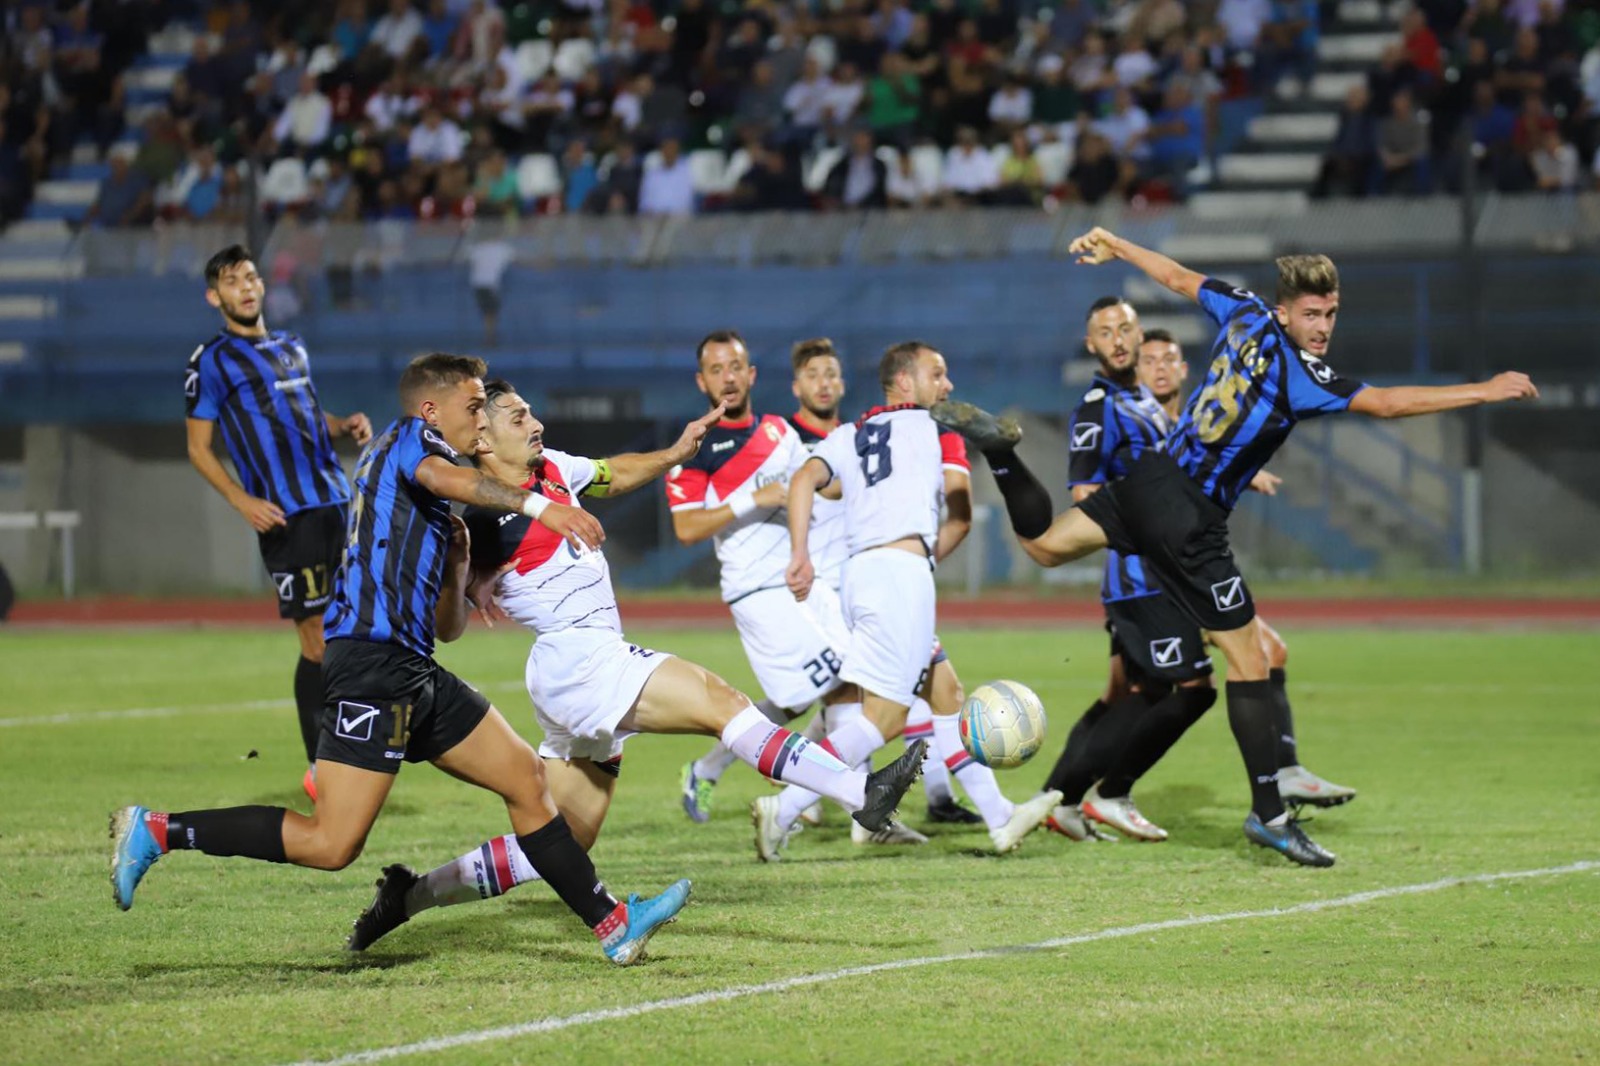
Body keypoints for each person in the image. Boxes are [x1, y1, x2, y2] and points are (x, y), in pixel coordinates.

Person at [937, 231, 1537, 866]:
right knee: (1251, 662)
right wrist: (1484, 388)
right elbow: (1386, 404)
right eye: (1311, 314)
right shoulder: (1300, 373)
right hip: (1190, 518)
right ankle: (1270, 815)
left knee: (1045, 546)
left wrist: (1116, 243)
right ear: (1286, 311)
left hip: (1149, 479)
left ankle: (1002, 456)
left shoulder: (1243, 307)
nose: (1323, 326)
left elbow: (1173, 277)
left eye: (1331, 313)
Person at [114, 354, 690, 966]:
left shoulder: (434, 501)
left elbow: (451, 627)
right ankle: (157, 831)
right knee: (331, 843)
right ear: (432, 410)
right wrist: (542, 506)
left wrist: (461, 565)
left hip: (414, 669)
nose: (481, 420)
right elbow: (452, 480)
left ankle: (612, 925)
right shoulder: (410, 443)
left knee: (526, 779)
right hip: (370, 665)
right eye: (473, 407)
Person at [341, 379, 926, 949]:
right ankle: (859, 791)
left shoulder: (552, 470)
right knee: (721, 701)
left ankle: (407, 897)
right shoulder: (471, 514)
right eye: (518, 418)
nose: (536, 424)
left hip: (576, 668)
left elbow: (610, 473)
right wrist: (460, 573)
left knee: (562, 840)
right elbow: (450, 623)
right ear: (485, 439)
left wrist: (673, 454)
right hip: (578, 659)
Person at [1039, 319, 1353, 843]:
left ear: (1185, 369)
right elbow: (1092, 493)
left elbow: (1189, 476)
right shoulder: (1108, 410)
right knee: (1169, 690)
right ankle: (1082, 796)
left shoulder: (1181, 422)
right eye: (1149, 360)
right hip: (1144, 575)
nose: (1158, 367)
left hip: (1179, 570)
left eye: (1167, 359)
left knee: (1253, 656)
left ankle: (1067, 799)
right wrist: (1143, 511)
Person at [757, 341, 1063, 861]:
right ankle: (782, 810)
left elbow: (804, 479)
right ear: (904, 381)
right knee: (884, 719)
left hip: (861, 576)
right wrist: (916, 563)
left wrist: (800, 554)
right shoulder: (936, 431)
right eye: (936, 374)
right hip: (900, 578)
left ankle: (999, 818)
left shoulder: (851, 434)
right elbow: (961, 515)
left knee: (945, 692)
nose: (947, 387)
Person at [670, 333, 884, 834]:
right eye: (716, 368)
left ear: (751, 375)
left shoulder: (776, 432)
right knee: (841, 681)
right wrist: (754, 499)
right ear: (702, 380)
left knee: (806, 694)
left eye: (736, 366)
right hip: (754, 590)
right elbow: (686, 528)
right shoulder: (695, 446)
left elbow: (809, 490)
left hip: (800, 579)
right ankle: (850, 807)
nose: (728, 376)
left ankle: (710, 770)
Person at [183, 245, 372, 800]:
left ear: (262, 286)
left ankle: (350, 751)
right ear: (213, 296)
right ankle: (323, 769)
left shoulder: (291, 347)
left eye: (250, 277)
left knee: (351, 631)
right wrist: (242, 501)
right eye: (231, 281)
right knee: (315, 639)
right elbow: (199, 448)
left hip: (337, 502)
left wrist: (343, 424)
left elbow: (309, 415)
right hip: (287, 517)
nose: (245, 287)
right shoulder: (210, 361)